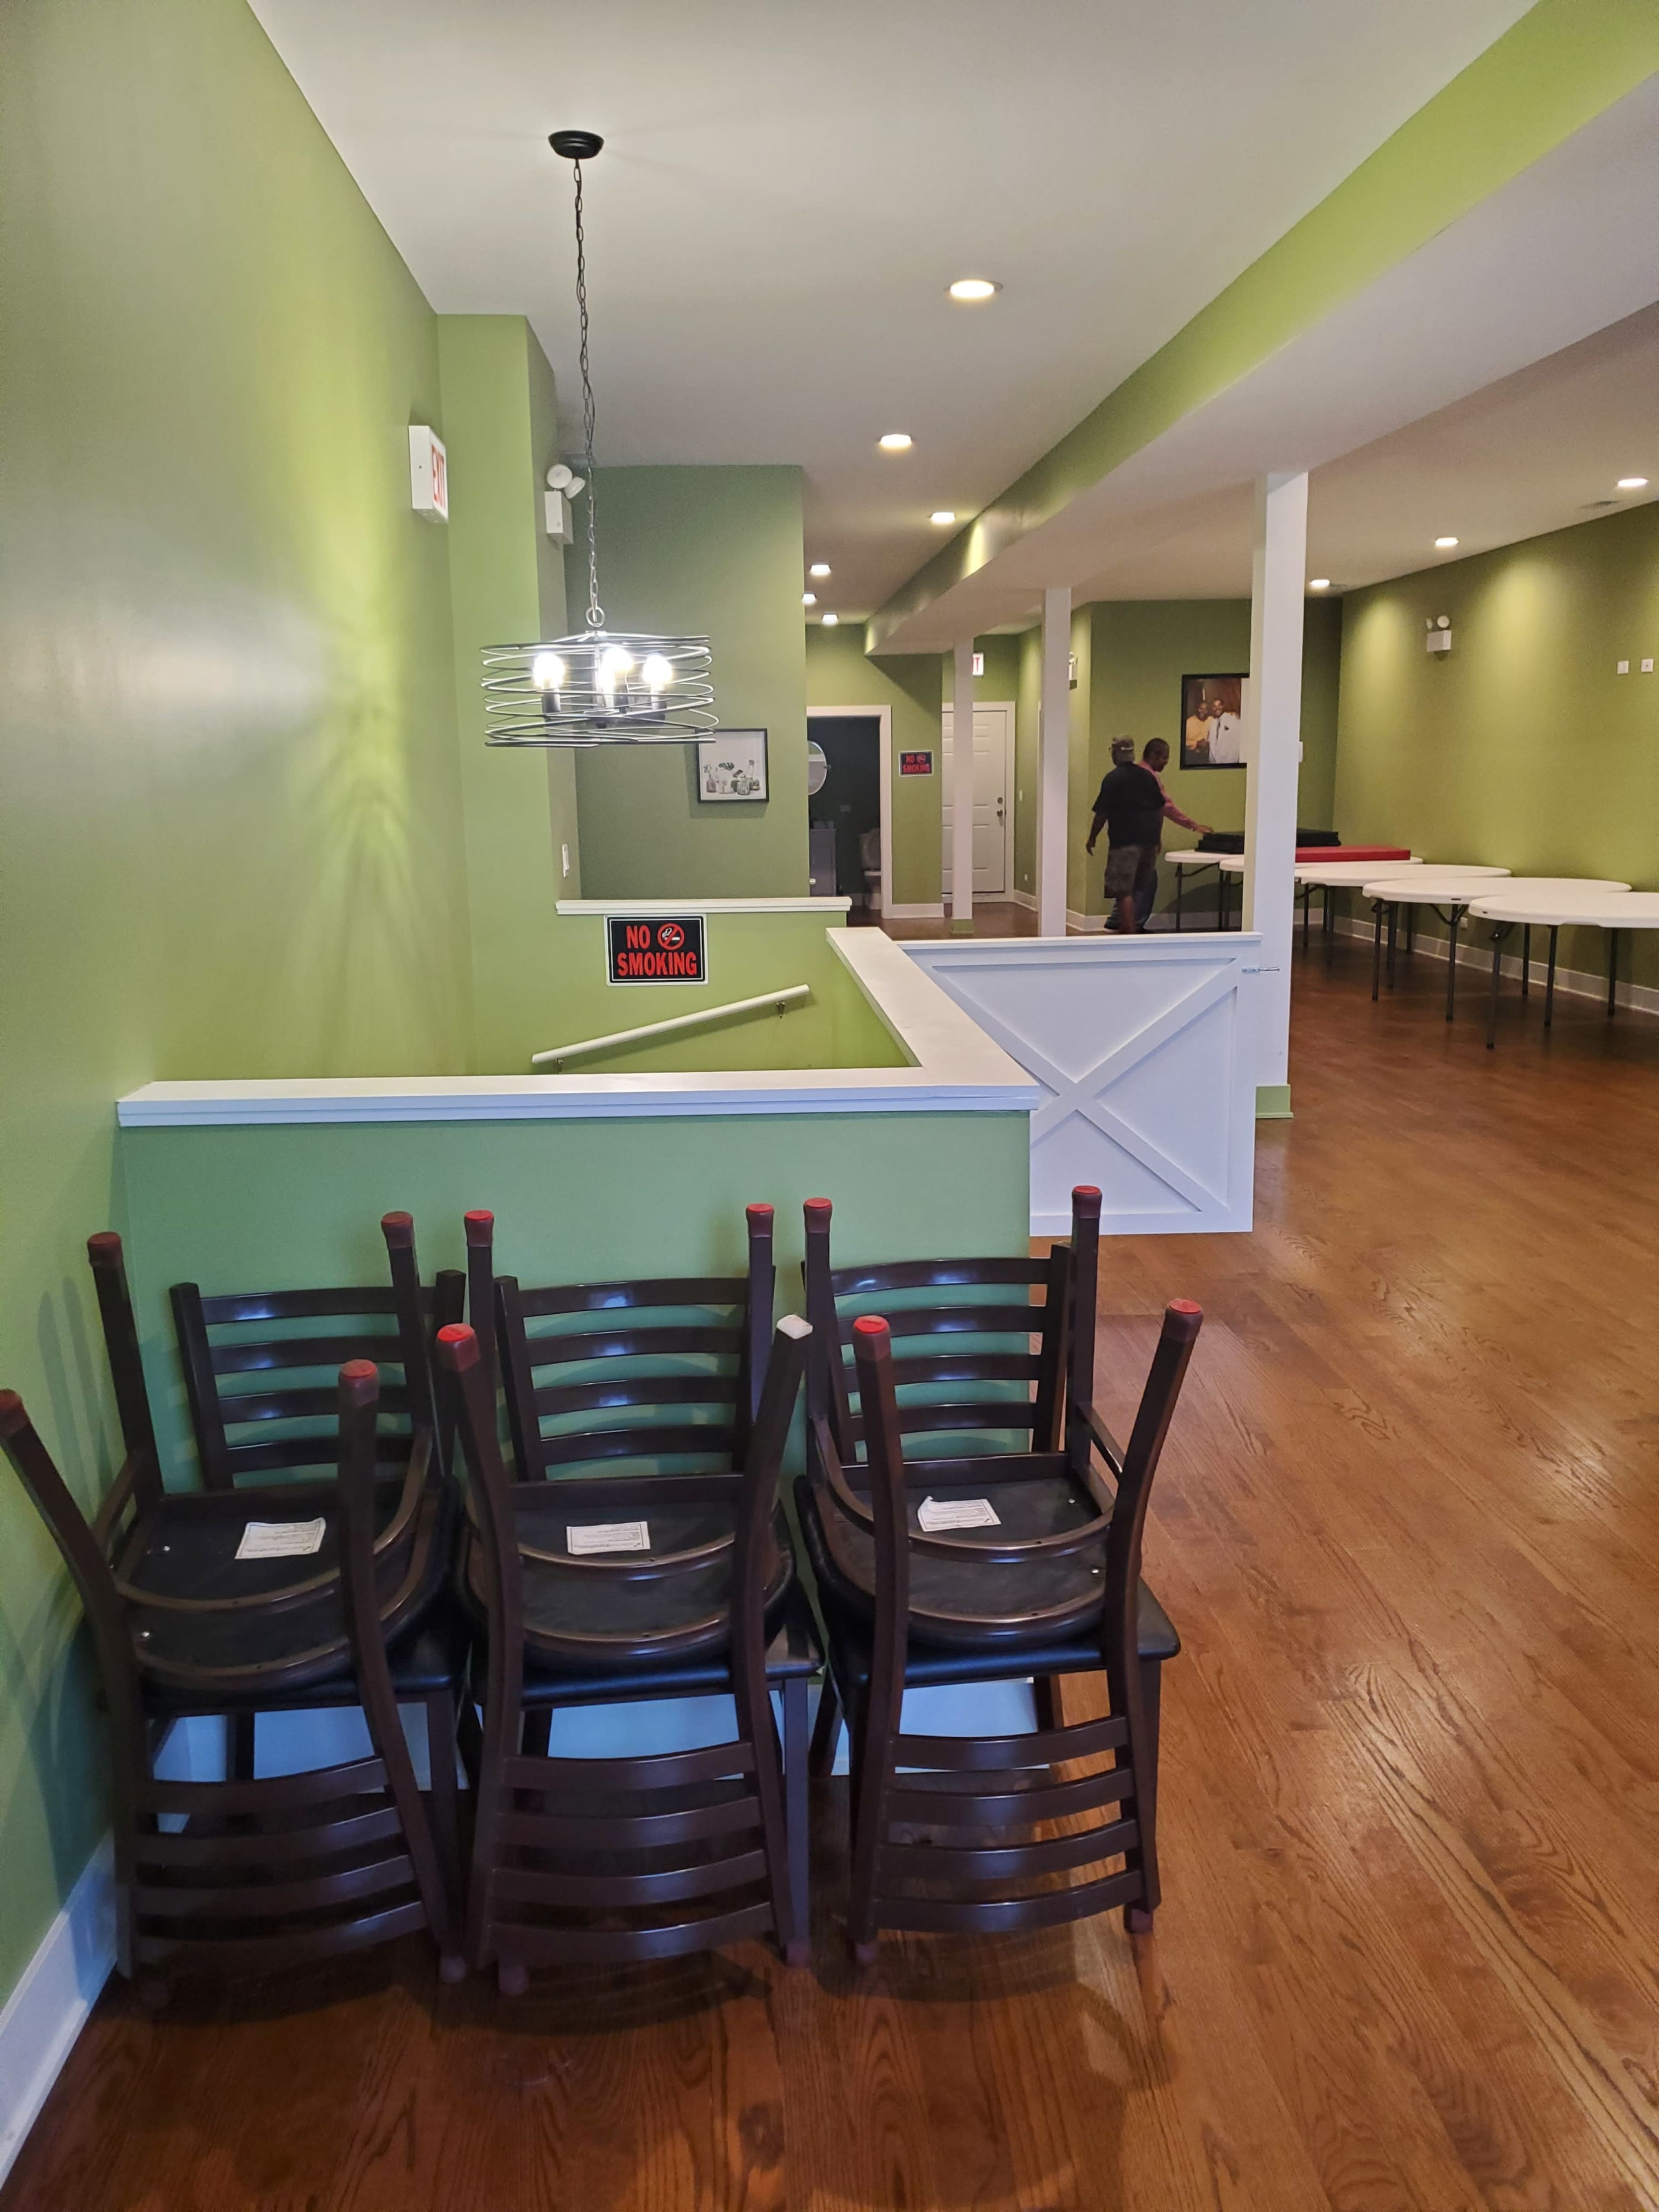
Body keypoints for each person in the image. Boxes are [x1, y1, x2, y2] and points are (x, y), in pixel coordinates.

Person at [1085, 737, 1166, 933]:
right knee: (1140, 887)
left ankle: (1129, 933)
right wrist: (1157, 839)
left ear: (1115, 754)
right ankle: (1133, 929)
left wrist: (1092, 838)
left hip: (1124, 844)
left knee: (1124, 891)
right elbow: (1159, 809)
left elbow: (1102, 814)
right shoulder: (1148, 777)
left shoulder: (1113, 779)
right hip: (1149, 842)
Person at [1136, 739, 1210, 927]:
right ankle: (1136, 924)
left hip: (1133, 838)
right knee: (1146, 882)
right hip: (1143, 840)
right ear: (1153, 755)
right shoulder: (1149, 777)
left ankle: (1120, 922)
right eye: (1165, 757)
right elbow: (1166, 807)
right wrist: (1194, 826)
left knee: (1130, 882)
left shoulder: (1136, 773)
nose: (1167, 762)